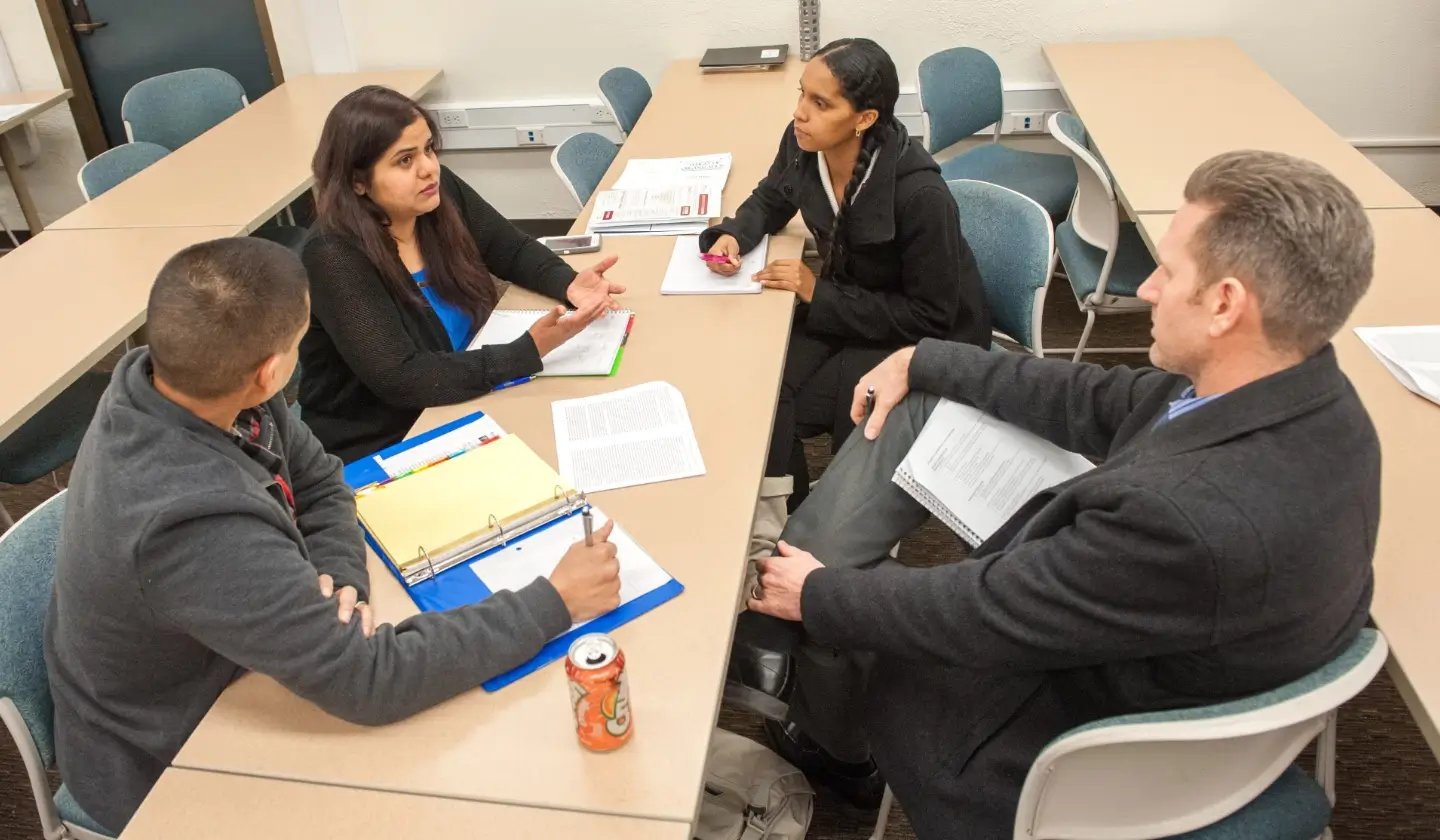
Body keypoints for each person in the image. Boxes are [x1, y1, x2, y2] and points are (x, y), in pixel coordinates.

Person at [740, 150, 1379, 839]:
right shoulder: (1314, 397)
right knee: (924, 409)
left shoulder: (1183, 522)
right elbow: (1098, 399)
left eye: (1167, 272)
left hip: (1050, 751)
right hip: (1142, 622)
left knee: (847, 606)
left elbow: (984, 610)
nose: (1148, 292)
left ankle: (820, 717)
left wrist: (822, 593)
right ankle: (786, 606)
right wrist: (927, 358)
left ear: (1225, 304)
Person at [44, 238, 624, 834]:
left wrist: (339, 579)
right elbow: (370, 681)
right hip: (166, 762)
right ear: (271, 370)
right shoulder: (192, 521)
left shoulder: (182, 386)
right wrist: (553, 601)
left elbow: (321, 481)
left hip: (232, 660)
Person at [699, 37, 990, 520]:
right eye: (800, 95)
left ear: (865, 119)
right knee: (763, 382)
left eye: (820, 103)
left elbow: (932, 317)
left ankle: (834, 526)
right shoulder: (804, 142)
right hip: (852, 305)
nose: (800, 114)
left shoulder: (920, 195)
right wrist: (732, 235)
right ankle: (781, 517)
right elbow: (774, 196)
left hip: (922, 336)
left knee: (797, 403)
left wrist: (818, 292)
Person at [300, 85, 625, 462]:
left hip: (465, 391)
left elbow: (510, 248)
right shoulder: (333, 255)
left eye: (428, 149)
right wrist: (527, 352)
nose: (428, 168)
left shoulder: (437, 194)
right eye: (404, 161)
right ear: (358, 182)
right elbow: (403, 379)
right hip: (392, 438)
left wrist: (566, 281)